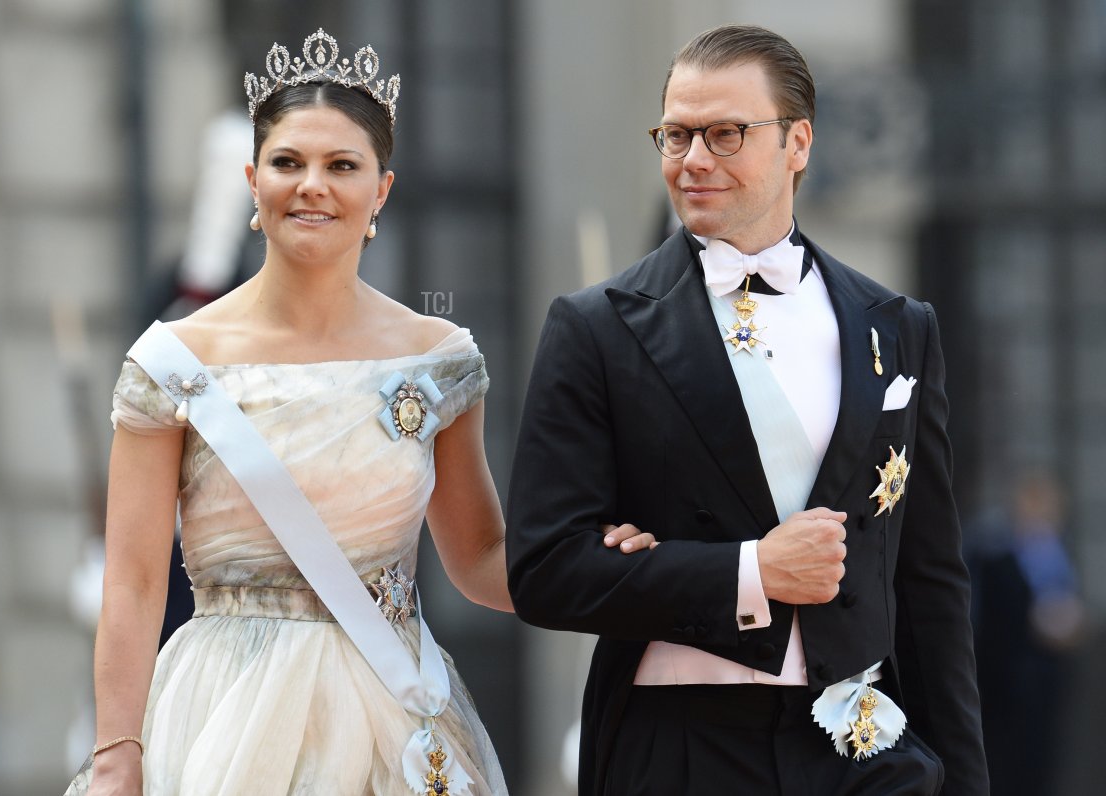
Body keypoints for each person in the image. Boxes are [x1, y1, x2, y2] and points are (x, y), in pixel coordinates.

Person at [65, 29, 654, 796]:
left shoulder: (436, 358)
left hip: (391, 709)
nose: (313, 185)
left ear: (381, 188)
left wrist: (599, 571)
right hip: (222, 714)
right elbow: (135, 585)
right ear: (252, 180)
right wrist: (118, 753)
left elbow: (478, 561)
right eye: (288, 163)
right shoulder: (172, 363)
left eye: (342, 165)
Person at [506, 24, 989, 795]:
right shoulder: (595, 327)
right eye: (676, 135)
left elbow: (928, 584)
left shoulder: (897, 326)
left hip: (866, 747)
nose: (693, 159)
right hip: (681, 747)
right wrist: (750, 571)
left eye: (725, 134)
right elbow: (544, 569)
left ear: (797, 142)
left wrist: (962, 779)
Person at [968, 470, 1086, 796]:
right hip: (1006, 683)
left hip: (1045, 682)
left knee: (1040, 764)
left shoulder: (1059, 553)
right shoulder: (994, 554)